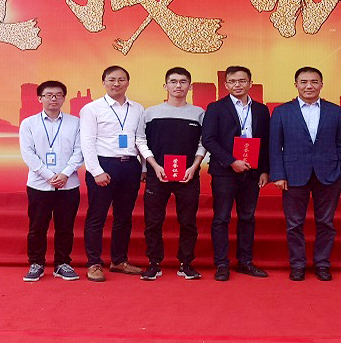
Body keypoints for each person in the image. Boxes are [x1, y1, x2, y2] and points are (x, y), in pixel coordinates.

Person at [269, 67, 341, 281]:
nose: (309, 86)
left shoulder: (335, 111)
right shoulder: (282, 112)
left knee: (326, 222)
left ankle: (322, 264)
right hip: (293, 174)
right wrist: (278, 174)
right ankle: (298, 264)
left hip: (329, 173)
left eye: (314, 82)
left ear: (321, 84)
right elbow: (275, 146)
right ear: (296, 84)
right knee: (294, 223)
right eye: (304, 82)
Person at [79, 65, 151, 282]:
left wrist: (143, 168)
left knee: (124, 217)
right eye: (111, 79)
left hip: (130, 167)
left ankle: (119, 260)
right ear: (104, 82)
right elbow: (87, 142)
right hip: (103, 165)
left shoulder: (138, 108)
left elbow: (141, 139)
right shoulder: (92, 109)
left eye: (121, 79)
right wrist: (96, 171)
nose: (116, 84)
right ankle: (94, 263)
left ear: (128, 82)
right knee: (97, 216)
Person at [201, 66, 270, 281]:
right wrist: (232, 161)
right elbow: (208, 139)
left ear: (250, 83)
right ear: (226, 84)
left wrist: (265, 170)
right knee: (221, 218)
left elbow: (266, 141)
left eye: (242, 81)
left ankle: (245, 262)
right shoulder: (215, 108)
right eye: (232, 81)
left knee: (247, 217)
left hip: (252, 172)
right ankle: (222, 264)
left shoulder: (261, 110)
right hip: (224, 172)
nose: (237, 85)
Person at [140, 67, 207, 281]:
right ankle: (153, 263)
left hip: (188, 175)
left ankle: (186, 263)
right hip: (157, 174)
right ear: (165, 85)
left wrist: (194, 167)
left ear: (190, 86)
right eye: (173, 81)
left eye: (183, 82)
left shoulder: (199, 113)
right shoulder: (150, 113)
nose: (178, 86)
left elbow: (203, 143)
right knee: (153, 221)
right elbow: (140, 141)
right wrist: (153, 165)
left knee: (188, 221)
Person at [18, 80, 83, 282]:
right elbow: (28, 153)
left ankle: (62, 263)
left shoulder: (75, 122)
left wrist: (65, 174)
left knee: (65, 227)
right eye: (48, 95)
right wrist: (48, 175)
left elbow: (80, 151)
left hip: (68, 184)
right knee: (38, 227)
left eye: (58, 95)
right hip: (39, 185)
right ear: (40, 98)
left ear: (63, 98)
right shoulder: (29, 123)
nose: (53, 99)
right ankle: (36, 263)